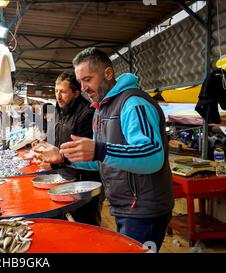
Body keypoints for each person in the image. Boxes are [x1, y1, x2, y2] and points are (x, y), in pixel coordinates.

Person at [34, 47, 174, 251]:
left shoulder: (134, 104)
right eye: (80, 81)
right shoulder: (102, 109)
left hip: (145, 210)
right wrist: (63, 157)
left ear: (108, 73)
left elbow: (152, 155)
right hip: (124, 206)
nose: (83, 88)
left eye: (88, 79)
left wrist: (99, 150)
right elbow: (102, 158)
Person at [34, 72, 104, 226]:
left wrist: (54, 163)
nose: (58, 96)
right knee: (65, 223)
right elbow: (59, 140)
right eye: (56, 91)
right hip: (64, 176)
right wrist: (44, 145)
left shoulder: (86, 114)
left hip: (84, 182)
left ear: (76, 93)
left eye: (63, 92)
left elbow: (87, 156)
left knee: (85, 225)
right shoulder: (60, 110)